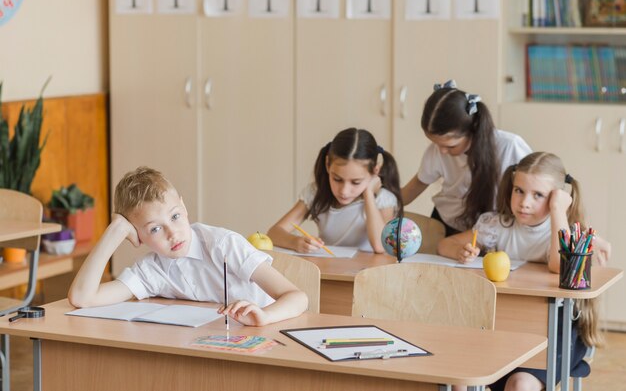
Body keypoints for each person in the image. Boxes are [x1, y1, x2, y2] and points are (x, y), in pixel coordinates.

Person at [438, 152, 611, 391]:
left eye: (538, 195)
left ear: (555, 198)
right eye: (519, 190)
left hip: (554, 335)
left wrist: (558, 211)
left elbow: (559, 265)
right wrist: (461, 251)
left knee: (519, 384)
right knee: (460, 377)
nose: (524, 202)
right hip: (501, 328)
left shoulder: (563, 232)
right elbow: (444, 244)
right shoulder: (497, 226)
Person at [68, 167, 307, 327]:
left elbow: (296, 297)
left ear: (183, 206)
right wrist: (116, 230)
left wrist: (265, 317)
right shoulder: (151, 271)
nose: (173, 234)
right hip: (207, 347)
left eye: (174, 217)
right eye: (154, 229)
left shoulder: (224, 245)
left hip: (261, 338)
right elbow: (82, 297)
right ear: (137, 235)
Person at [401, 80, 531, 236]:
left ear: (473, 130)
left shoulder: (510, 147)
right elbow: (416, 185)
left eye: (451, 146)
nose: (442, 151)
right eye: (436, 143)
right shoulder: (437, 150)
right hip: (448, 225)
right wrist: (383, 200)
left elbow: (535, 188)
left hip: (495, 230)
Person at [268, 128, 402, 253]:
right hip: (329, 272)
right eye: (337, 179)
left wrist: (368, 194)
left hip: (367, 274)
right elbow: (274, 233)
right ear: (327, 165)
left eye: (356, 182)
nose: (344, 191)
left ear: (375, 171)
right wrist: (295, 242)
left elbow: (380, 246)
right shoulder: (315, 193)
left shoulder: (383, 200)